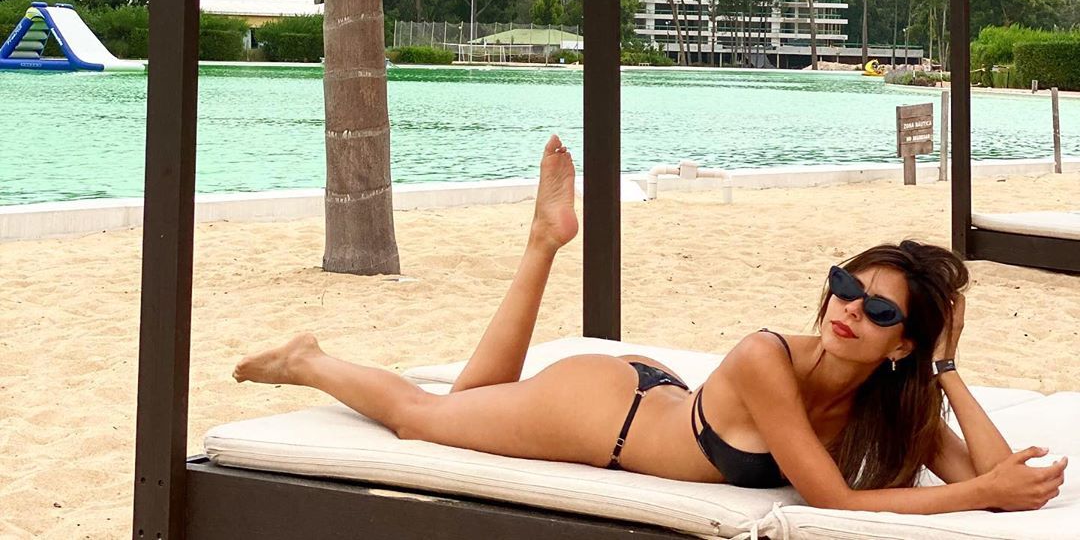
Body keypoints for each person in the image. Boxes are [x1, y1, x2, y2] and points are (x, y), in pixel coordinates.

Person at [234, 135, 1067, 514]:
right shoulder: (766, 357)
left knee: (465, 400)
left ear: (903, 344)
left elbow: (1003, 483)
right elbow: (833, 499)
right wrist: (981, 491)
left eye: (878, 310)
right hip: (603, 414)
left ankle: (544, 241)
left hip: (662, 399)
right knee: (423, 419)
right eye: (845, 285)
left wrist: (947, 371)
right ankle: (310, 359)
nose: (848, 309)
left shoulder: (894, 398)